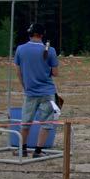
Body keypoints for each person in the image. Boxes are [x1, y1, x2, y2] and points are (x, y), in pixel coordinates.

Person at [13, 23, 59, 158]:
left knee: (26, 121)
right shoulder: (50, 50)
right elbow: (55, 73)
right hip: (47, 92)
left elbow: (18, 72)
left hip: (30, 92)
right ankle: (38, 151)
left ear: (30, 34)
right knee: (46, 123)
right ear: (42, 35)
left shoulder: (20, 49)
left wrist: (25, 86)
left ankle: (23, 149)